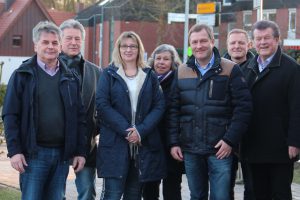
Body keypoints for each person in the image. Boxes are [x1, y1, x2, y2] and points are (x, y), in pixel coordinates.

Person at [2, 21, 86, 200]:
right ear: (35, 45)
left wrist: (80, 151)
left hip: (62, 156)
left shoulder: (71, 78)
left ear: (60, 45)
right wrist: (15, 151)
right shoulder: (22, 75)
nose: (51, 46)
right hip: (33, 155)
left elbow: (79, 118)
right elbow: (10, 115)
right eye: (45, 42)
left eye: (55, 43)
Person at [168, 24, 252, 199]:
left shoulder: (230, 69)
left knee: (221, 197)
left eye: (203, 41)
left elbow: (243, 109)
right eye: (195, 42)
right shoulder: (182, 72)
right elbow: (173, 110)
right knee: (196, 196)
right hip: (190, 149)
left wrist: (230, 140)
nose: (199, 46)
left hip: (220, 149)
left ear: (212, 41)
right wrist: (174, 142)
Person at [96, 31, 166, 200]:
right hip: (115, 144)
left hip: (142, 146)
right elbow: (102, 105)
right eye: (124, 46)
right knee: (112, 195)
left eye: (133, 46)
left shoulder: (149, 75)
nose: (128, 49)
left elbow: (159, 105)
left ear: (139, 49)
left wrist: (140, 131)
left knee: (134, 195)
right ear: (118, 49)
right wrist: (127, 131)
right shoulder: (109, 73)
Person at [241, 20, 300, 200]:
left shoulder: (292, 69)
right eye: (258, 38)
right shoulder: (247, 68)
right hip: (252, 146)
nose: (262, 42)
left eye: (267, 38)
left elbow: (297, 107)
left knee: (280, 194)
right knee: (256, 193)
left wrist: (295, 141)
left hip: (280, 147)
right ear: (253, 42)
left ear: (277, 40)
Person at [59, 19, 101, 200]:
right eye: (69, 38)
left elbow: (102, 105)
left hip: (87, 144)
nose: (73, 43)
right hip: (56, 144)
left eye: (77, 39)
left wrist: (95, 128)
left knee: (87, 192)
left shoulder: (96, 71)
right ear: (60, 40)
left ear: (82, 40)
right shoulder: (50, 70)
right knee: (56, 192)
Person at [143, 44, 184, 200]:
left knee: (172, 187)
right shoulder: (145, 80)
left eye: (166, 59)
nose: (161, 62)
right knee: (149, 187)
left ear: (173, 62)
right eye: (158, 58)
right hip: (150, 143)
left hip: (172, 143)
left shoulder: (179, 81)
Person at [223, 28, 255, 200]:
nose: (237, 46)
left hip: (252, 136)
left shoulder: (258, 67)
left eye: (241, 42)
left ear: (249, 45)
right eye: (233, 43)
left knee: (252, 187)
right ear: (227, 45)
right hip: (225, 136)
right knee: (225, 186)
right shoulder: (218, 68)